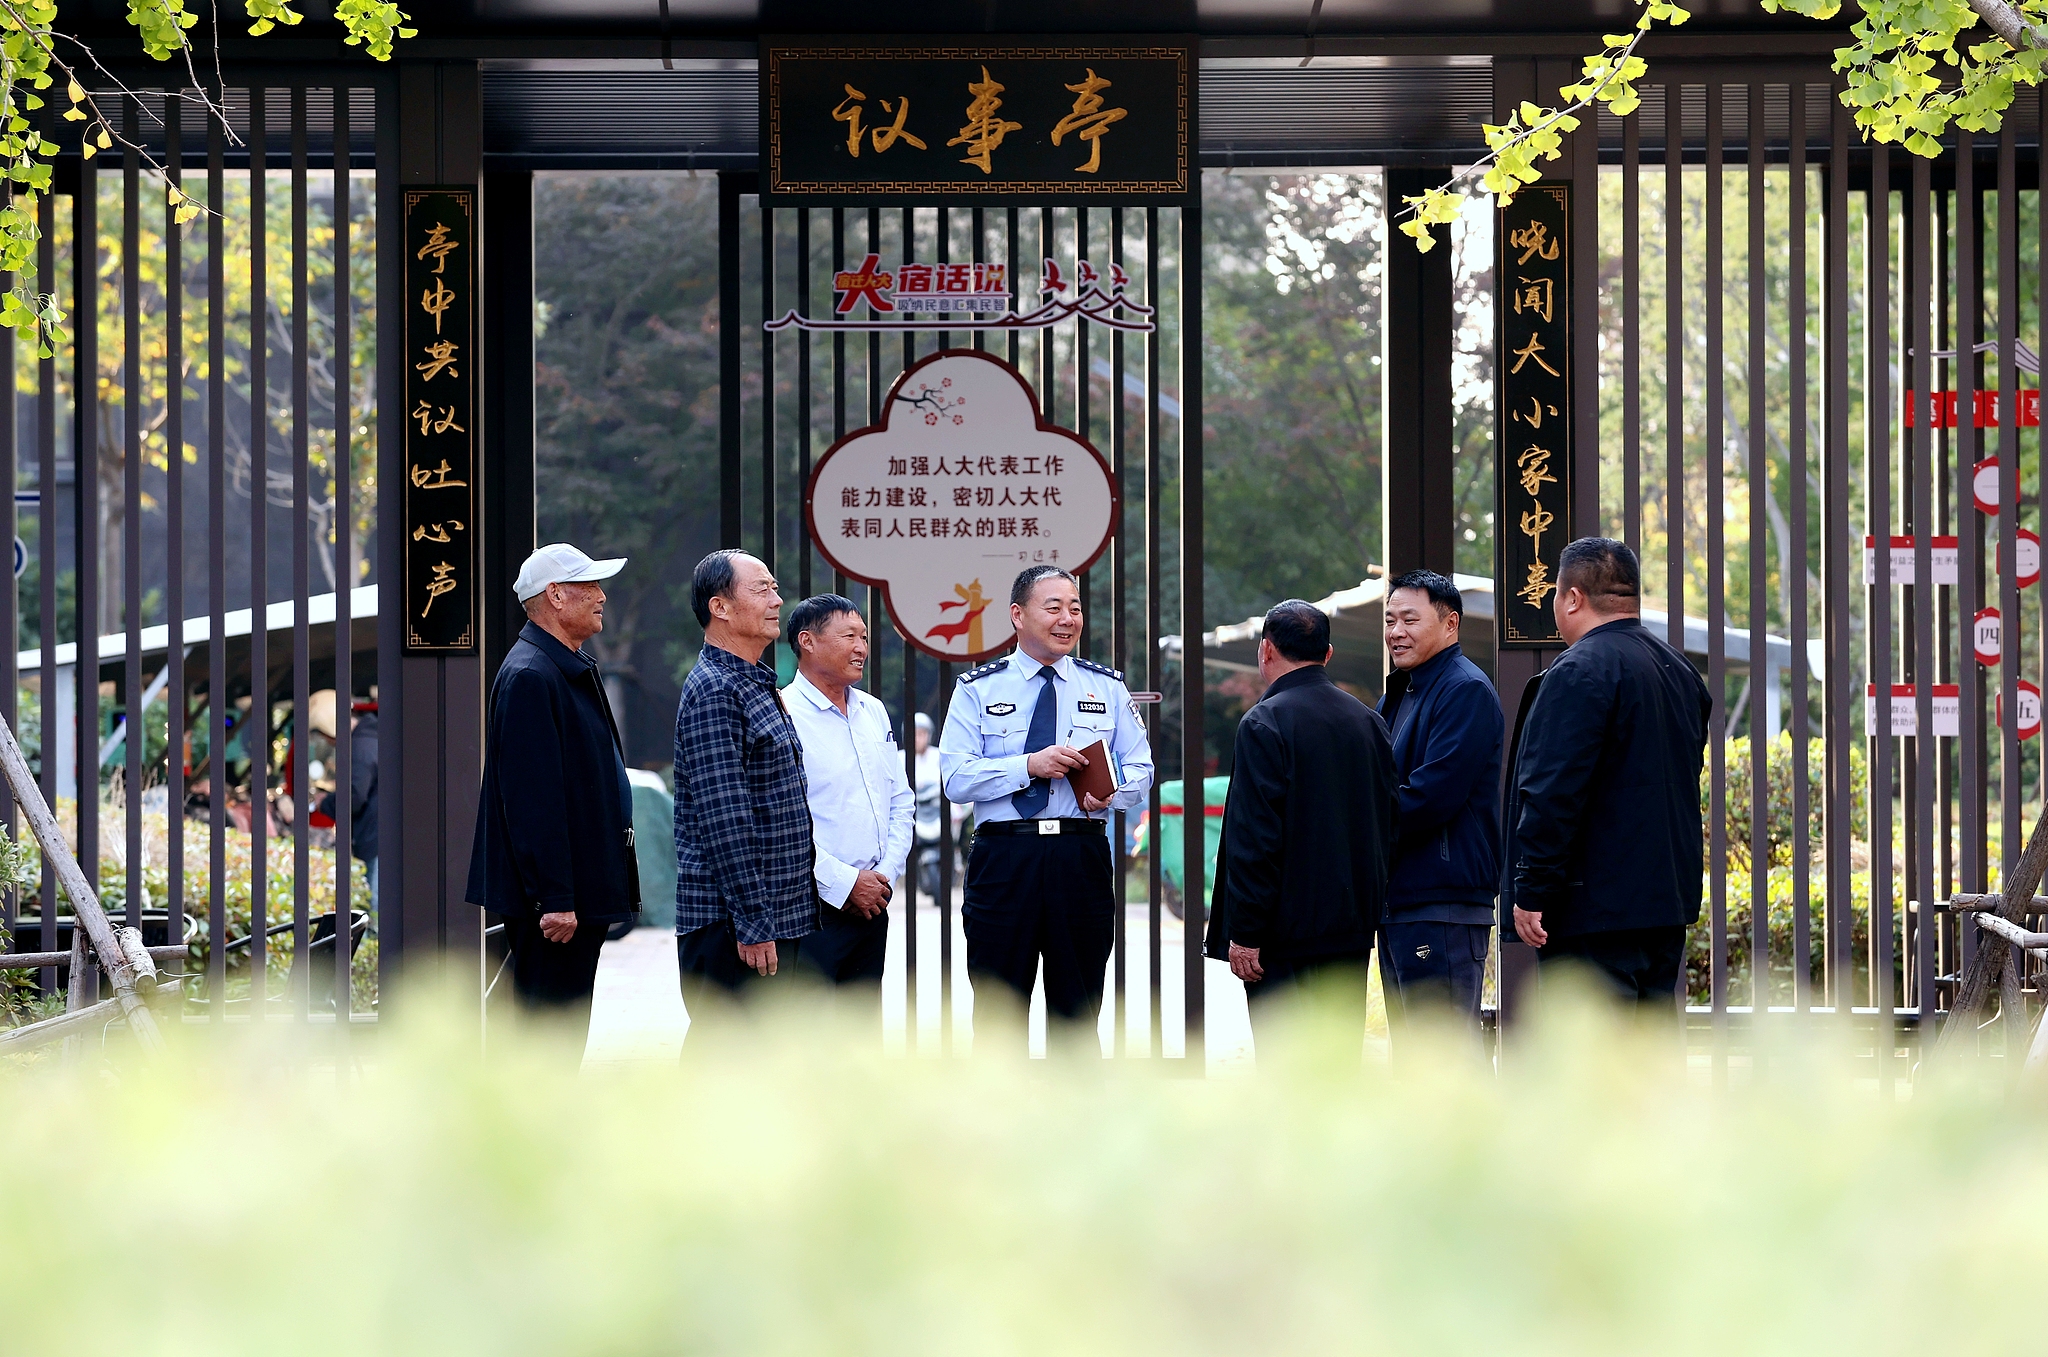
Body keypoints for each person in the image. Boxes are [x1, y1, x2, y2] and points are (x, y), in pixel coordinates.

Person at [939, 565, 1153, 1055]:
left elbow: (1141, 769)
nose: (1067, 618)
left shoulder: (1107, 688)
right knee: (999, 1011)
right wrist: (1027, 766)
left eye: (1074, 608)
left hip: (1081, 858)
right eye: (1053, 607)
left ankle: (1078, 1122)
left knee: (1077, 1010)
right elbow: (955, 778)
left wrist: (1112, 794)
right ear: (1018, 615)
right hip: (1004, 859)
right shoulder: (978, 689)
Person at [1506, 537, 1711, 1012]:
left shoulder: (1577, 671)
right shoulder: (1679, 671)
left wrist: (1532, 889)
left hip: (1592, 908)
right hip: (1664, 903)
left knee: (1594, 1068)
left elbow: (1551, 791)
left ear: (1572, 598)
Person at [1203, 600, 1397, 1068]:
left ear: (1265, 649)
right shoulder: (1368, 721)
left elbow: (1255, 838)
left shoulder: (1265, 722)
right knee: (1335, 1068)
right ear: (1327, 654)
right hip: (1350, 929)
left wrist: (1245, 933)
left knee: (1286, 1069)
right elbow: (1388, 820)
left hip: (1280, 937)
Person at [466, 543, 640, 1047]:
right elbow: (532, 803)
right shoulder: (532, 675)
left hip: (572, 899)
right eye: (590, 586)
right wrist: (556, 899)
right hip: (557, 909)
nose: (602, 596)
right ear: (556, 596)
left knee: (559, 1035)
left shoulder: (560, 666)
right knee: (548, 1044)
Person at [672, 549, 816, 1033]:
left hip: (775, 917)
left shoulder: (754, 683)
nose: (777, 599)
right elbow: (725, 819)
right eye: (762, 589)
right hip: (733, 926)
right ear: (721, 607)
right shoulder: (716, 689)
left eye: (775, 588)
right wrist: (754, 923)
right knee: (725, 1076)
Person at [1377, 570, 1501, 1042]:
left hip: (1441, 902)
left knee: (1444, 1059)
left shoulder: (1463, 689)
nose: (1396, 632)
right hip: (1404, 899)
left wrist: (1360, 825)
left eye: (1410, 619)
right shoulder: (1404, 690)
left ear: (1450, 624)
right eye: (1390, 620)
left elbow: (1432, 796)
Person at [781, 594, 913, 1013]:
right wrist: (844, 882)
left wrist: (883, 874)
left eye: (864, 636)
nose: (861, 647)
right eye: (848, 636)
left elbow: (900, 800)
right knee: (811, 1035)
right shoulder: (783, 712)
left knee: (860, 1035)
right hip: (810, 905)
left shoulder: (873, 711)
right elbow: (779, 821)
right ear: (808, 641)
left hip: (873, 902)